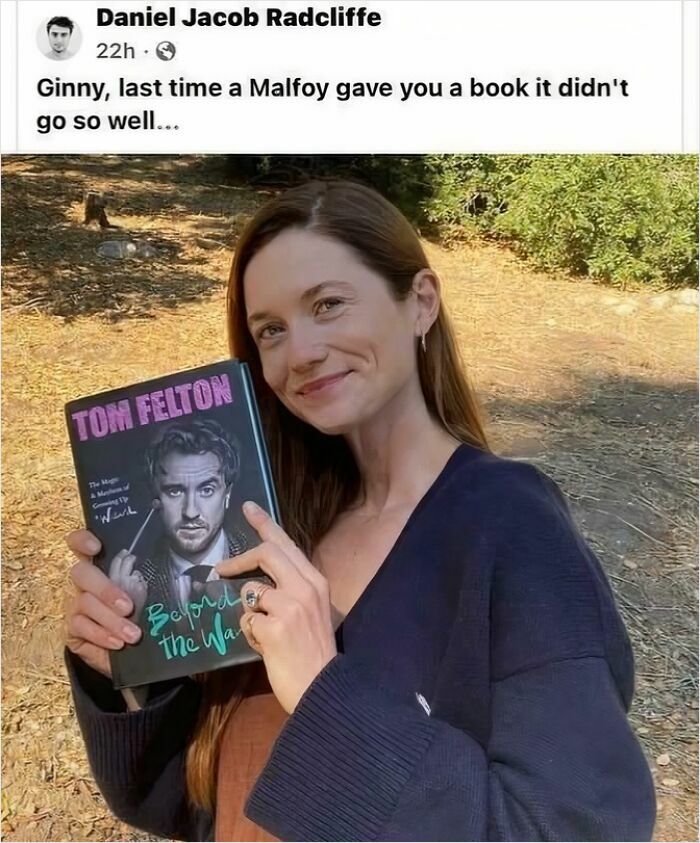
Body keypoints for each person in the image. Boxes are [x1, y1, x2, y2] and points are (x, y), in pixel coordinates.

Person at [64, 180, 656, 842]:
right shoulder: (273, 527)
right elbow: (190, 800)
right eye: (271, 330)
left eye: (329, 304)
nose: (302, 351)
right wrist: (125, 661)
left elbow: (570, 827)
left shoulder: (513, 530)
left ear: (420, 303)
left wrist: (324, 693)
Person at [109, 419, 248, 622]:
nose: (190, 512)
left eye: (207, 490)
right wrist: (129, 619)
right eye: (174, 491)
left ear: (227, 494)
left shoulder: (266, 560)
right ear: (155, 497)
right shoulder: (133, 586)